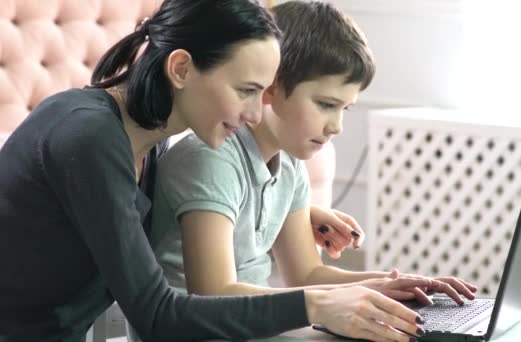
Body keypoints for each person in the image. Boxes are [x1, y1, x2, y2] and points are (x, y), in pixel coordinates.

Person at [0, 1, 427, 341]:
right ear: (182, 68)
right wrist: (316, 304)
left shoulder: (146, 142)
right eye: (245, 91)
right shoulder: (90, 137)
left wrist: (291, 213)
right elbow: (156, 315)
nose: (254, 115)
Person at [150, 1, 478, 341]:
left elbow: (305, 274)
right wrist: (328, 303)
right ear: (271, 85)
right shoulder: (212, 159)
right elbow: (213, 292)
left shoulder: (290, 163)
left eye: (344, 109)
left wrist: (388, 286)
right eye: (325, 104)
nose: (336, 126)